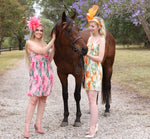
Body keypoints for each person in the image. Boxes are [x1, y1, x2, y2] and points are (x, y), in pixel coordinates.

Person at [24, 16, 55, 138]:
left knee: (43, 99)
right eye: (37, 30)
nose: (39, 32)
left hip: (46, 72)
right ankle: (27, 127)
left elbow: (49, 59)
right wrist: (53, 40)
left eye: (41, 30)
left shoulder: (44, 43)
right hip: (36, 73)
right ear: (33, 30)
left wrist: (53, 49)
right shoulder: (29, 43)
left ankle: (38, 124)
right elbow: (42, 52)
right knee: (33, 100)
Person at [84, 5, 106, 138]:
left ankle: (93, 128)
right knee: (90, 99)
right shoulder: (89, 39)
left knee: (93, 100)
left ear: (98, 27)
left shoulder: (101, 40)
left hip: (95, 71)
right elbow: (85, 54)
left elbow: (100, 58)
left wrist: (87, 55)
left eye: (93, 26)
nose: (90, 28)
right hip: (87, 71)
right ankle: (94, 125)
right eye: (89, 26)